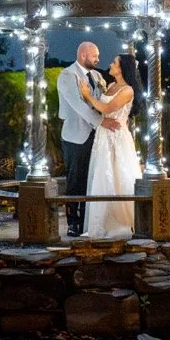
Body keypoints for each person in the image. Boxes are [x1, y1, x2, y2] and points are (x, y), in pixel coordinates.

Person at [77, 53, 145, 239]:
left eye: (114, 62)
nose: (110, 64)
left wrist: (87, 96)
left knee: (117, 174)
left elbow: (107, 109)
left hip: (117, 137)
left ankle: (119, 222)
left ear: (122, 68)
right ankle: (101, 222)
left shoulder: (127, 90)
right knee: (102, 175)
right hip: (104, 136)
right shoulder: (112, 85)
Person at [57, 42, 120, 236]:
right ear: (84, 54)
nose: (98, 59)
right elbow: (79, 106)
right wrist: (102, 122)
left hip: (97, 137)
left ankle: (87, 221)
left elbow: (101, 102)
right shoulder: (68, 76)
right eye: (95, 55)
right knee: (75, 180)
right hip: (76, 136)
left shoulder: (97, 76)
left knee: (93, 178)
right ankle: (73, 223)